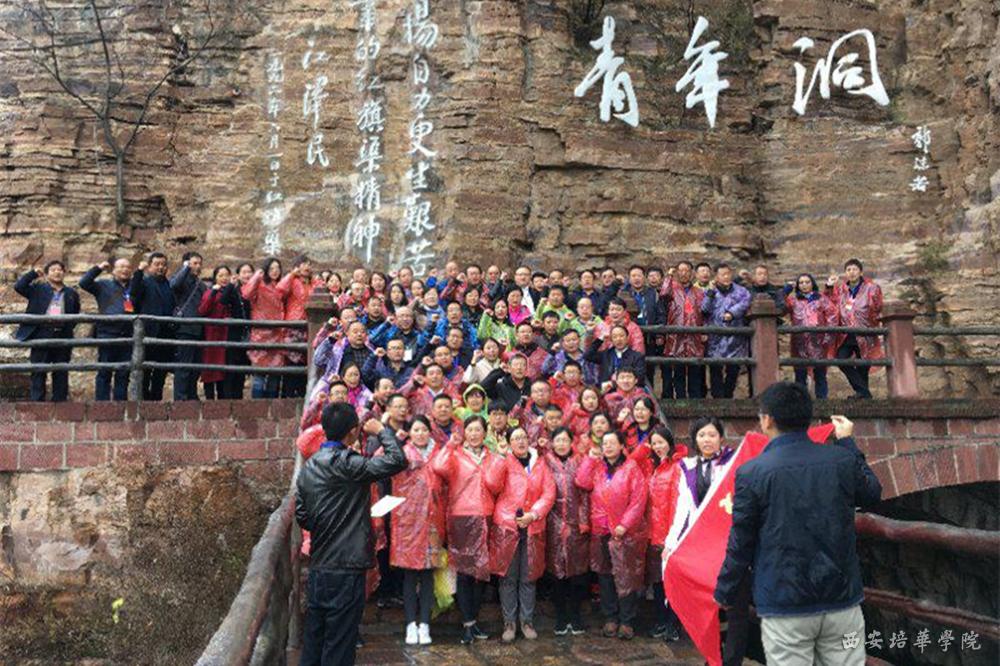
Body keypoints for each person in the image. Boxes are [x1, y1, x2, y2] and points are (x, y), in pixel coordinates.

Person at [715, 382, 882, 666]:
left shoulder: (752, 473)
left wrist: (725, 589)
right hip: (840, 598)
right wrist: (847, 442)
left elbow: (741, 541)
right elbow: (872, 494)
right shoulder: (840, 459)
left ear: (767, 420)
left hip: (784, 602)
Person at [295, 403, 407, 666]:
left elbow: (303, 516)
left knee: (314, 639)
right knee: (340, 643)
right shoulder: (349, 463)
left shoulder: (309, 468)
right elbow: (397, 460)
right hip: (346, 568)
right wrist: (382, 430)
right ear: (353, 431)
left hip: (320, 565)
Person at [575, 430, 648, 640]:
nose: (607, 447)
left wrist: (625, 524)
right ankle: (610, 617)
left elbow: (638, 499)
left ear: (621, 446)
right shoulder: (598, 467)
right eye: (604, 443)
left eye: (611, 443)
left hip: (623, 532)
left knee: (626, 575)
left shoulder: (631, 468)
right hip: (601, 530)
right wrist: (590, 458)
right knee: (605, 575)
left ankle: (627, 620)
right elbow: (582, 482)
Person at [484, 426, 556, 643]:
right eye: (515, 438)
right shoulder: (503, 460)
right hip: (507, 527)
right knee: (508, 578)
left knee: (528, 577)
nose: (520, 441)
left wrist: (533, 514)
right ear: (509, 442)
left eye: (523, 437)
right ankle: (509, 622)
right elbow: (492, 484)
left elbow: (549, 493)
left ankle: (526, 621)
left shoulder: (540, 464)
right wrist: (500, 457)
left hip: (533, 527)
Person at [430, 415, 496, 644]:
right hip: (462, 516)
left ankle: (474, 621)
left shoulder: (491, 456)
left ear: (485, 433)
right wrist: (451, 444)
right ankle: (468, 623)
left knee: (481, 573)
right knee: (465, 573)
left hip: (486, 515)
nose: (474, 434)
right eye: (470, 430)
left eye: (478, 430)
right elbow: (438, 467)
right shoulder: (456, 454)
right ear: (464, 433)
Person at [388, 415, 445, 646]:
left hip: (432, 520)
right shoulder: (402, 452)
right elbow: (381, 459)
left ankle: (425, 624)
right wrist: (396, 441)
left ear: (430, 431)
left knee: (428, 574)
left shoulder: (439, 453)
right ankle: (411, 624)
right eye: (416, 430)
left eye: (424, 429)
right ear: (409, 433)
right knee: (410, 574)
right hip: (408, 521)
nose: (420, 434)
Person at [629, 426, 686, 643]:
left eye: (661, 442)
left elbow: (676, 503)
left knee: (672, 582)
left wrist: (672, 536)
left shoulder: (677, 467)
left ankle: (673, 623)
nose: (658, 446)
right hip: (651, 533)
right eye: (654, 443)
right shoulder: (650, 466)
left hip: (669, 535)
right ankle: (661, 621)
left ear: (670, 442)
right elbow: (631, 462)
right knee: (658, 582)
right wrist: (644, 447)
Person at [543, 427, 591, 636]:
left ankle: (575, 615)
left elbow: (586, 492)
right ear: (552, 443)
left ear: (572, 442)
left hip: (576, 524)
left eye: (565, 440)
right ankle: (561, 616)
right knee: (557, 572)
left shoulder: (580, 461)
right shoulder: (545, 462)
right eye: (558, 440)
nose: (561, 444)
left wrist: (583, 521)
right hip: (552, 523)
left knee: (577, 572)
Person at [13, 260, 80, 402]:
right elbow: (19, 286)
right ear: (47, 274)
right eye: (53, 270)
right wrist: (32, 274)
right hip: (41, 333)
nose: (57, 272)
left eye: (60, 270)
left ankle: (60, 402)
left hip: (63, 335)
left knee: (61, 370)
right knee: (38, 370)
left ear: (64, 273)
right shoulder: (38, 289)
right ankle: (37, 402)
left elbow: (75, 313)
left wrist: (65, 327)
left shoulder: (71, 293)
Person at [826, 259, 883, 399]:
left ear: (861, 272)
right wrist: (829, 286)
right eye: (849, 270)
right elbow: (829, 302)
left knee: (863, 365)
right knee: (841, 360)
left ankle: (862, 395)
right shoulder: (841, 289)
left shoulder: (871, 287)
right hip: (846, 333)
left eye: (855, 269)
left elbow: (878, 306)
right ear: (845, 273)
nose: (852, 272)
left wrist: (873, 323)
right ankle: (865, 393)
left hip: (865, 332)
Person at [80, 257, 133, 401]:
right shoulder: (104, 285)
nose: (125, 270)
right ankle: (102, 404)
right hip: (107, 333)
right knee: (105, 371)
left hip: (128, 334)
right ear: (114, 270)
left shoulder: (134, 286)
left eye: (128, 267)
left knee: (123, 372)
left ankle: (121, 404)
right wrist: (98, 269)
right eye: (121, 267)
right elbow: (84, 283)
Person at [701, 264, 752, 399]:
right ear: (716, 277)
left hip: (734, 337)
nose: (726, 277)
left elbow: (746, 302)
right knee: (715, 369)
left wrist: (732, 312)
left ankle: (728, 396)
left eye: (728, 274)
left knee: (733, 369)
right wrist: (710, 294)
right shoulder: (710, 291)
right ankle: (718, 398)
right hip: (715, 337)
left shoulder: (741, 291)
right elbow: (704, 309)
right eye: (722, 274)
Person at [241, 258, 289, 399]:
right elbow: (246, 293)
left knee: (275, 375)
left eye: (277, 268)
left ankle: (272, 406)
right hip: (261, 334)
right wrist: (257, 276)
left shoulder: (281, 285)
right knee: (259, 374)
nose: (275, 271)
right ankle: (257, 406)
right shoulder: (260, 284)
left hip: (278, 333)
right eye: (271, 268)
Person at [130, 252, 175, 401]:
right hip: (148, 333)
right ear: (150, 266)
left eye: (163, 264)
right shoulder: (145, 282)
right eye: (157, 264)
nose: (161, 267)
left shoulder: (169, 284)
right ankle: (143, 402)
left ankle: (156, 401)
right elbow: (133, 292)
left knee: (161, 372)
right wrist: (138, 271)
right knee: (145, 370)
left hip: (165, 334)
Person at [784, 274, 837, 399]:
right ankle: (800, 401)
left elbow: (832, 314)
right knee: (800, 373)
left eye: (807, 282)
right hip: (799, 342)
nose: (804, 285)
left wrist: (828, 335)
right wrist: (785, 291)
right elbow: (781, 308)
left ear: (812, 283)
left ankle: (822, 400)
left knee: (820, 373)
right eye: (801, 282)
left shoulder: (821, 299)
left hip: (819, 341)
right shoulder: (793, 300)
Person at [660, 261, 705, 399]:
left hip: (694, 336)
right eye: (681, 270)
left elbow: (704, 313)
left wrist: (704, 331)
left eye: (687, 270)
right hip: (677, 335)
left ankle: (695, 401)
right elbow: (663, 294)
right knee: (678, 372)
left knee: (694, 373)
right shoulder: (672, 289)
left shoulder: (699, 292)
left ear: (691, 273)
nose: (684, 273)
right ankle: (680, 400)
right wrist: (669, 276)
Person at [169, 252, 207, 401]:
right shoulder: (181, 279)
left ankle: (191, 396)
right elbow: (174, 285)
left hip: (199, 329)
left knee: (195, 366)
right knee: (183, 366)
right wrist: (185, 268)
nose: (197, 266)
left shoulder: (201, 284)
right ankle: (180, 398)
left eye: (199, 263)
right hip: (185, 328)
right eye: (194, 263)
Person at [196, 265, 234, 399]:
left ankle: (222, 403)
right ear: (215, 278)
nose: (224, 278)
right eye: (220, 275)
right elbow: (202, 310)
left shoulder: (232, 292)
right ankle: (210, 402)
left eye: (226, 275)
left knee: (224, 373)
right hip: (211, 336)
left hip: (227, 336)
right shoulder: (210, 292)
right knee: (210, 371)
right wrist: (213, 293)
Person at [222, 262, 254, 399]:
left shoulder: (255, 290)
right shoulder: (234, 290)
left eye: (249, 272)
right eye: (244, 272)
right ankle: (228, 402)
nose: (247, 275)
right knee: (231, 371)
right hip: (235, 334)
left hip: (249, 336)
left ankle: (238, 401)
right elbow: (223, 300)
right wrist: (230, 285)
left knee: (242, 372)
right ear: (238, 275)